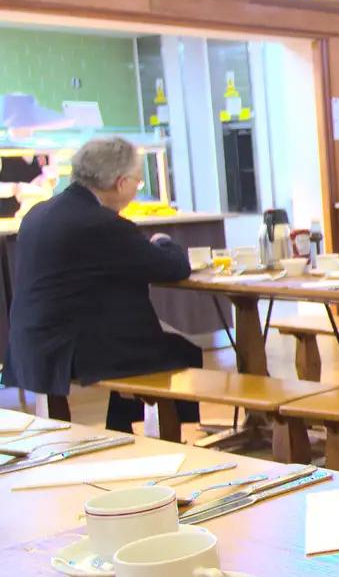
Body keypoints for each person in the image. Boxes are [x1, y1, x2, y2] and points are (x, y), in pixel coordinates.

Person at [3, 137, 200, 432]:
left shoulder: (38, 213)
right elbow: (173, 267)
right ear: (120, 183)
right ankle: (158, 437)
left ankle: (119, 429)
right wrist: (163, 241)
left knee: (135, 339)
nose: (137, 189)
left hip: (29, 344)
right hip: (72, 350)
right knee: (180, 352)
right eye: (137, 181)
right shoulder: (102, 224)